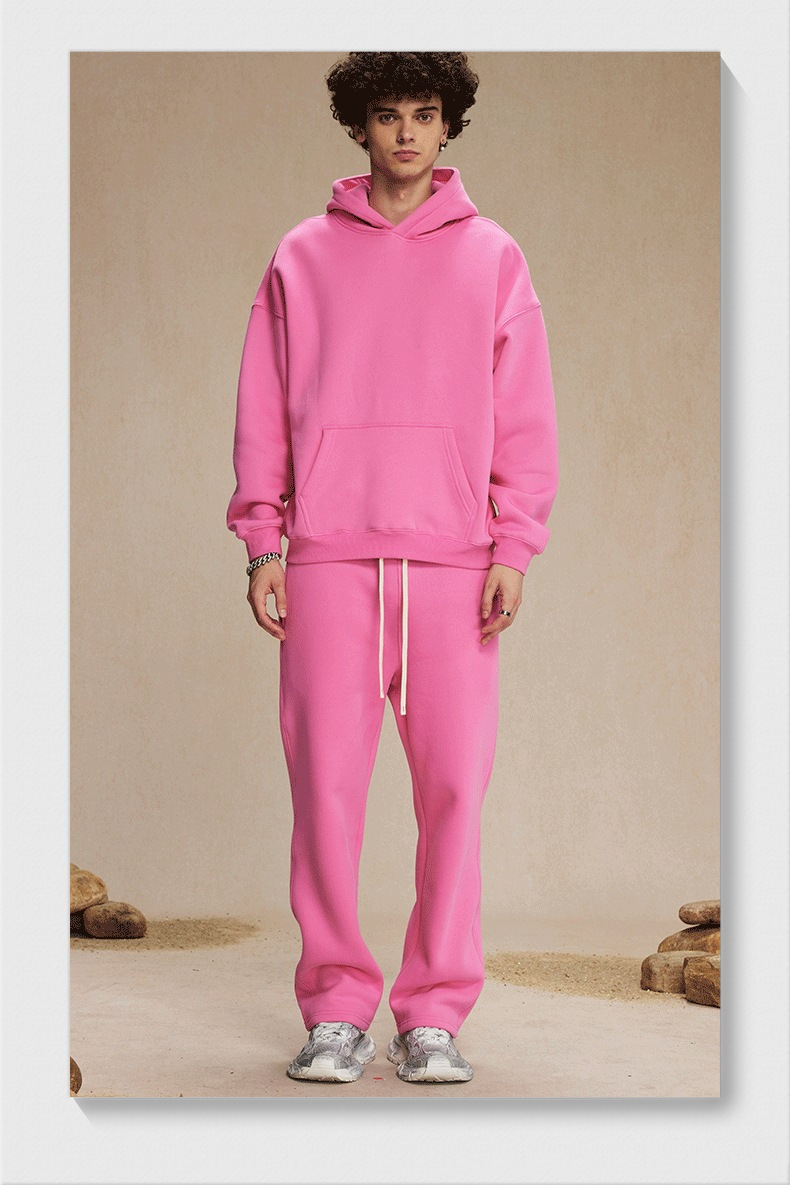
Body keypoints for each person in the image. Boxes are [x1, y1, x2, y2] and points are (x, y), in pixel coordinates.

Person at [226, 51, 559, 1085]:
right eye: (386, 114)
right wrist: (264, 540)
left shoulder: (493, 255)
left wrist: (513, 544)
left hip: (455, 565)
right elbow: (262, 404)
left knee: (454, 790)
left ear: (449, 125)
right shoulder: (301, 255)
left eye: (424, 113)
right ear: (358, 126)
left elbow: (525, 413)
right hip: (329, 559)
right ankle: (335, 1007)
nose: (406, 132)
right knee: (324, 793)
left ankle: (433, 1015)